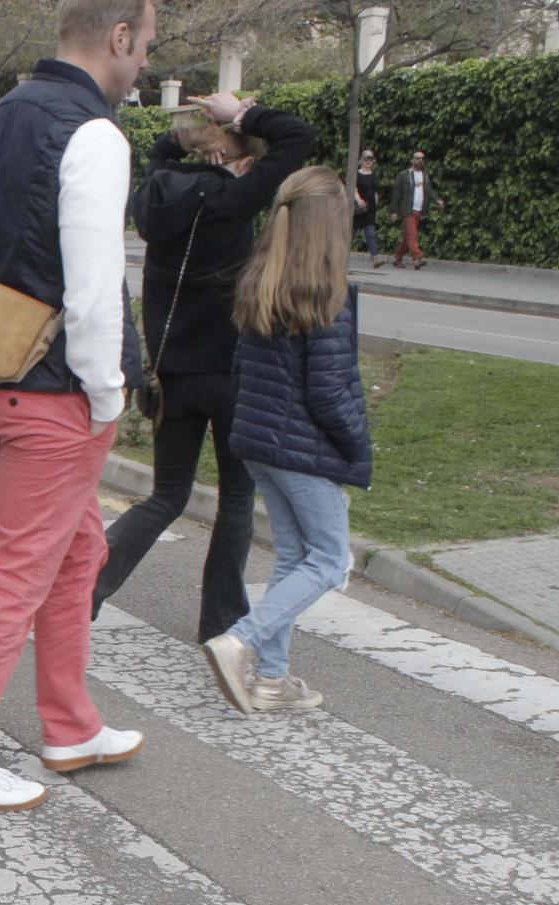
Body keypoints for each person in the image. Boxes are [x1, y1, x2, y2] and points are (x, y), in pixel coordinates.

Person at [0, 0, 154, 814]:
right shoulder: (94, 134)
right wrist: (107, 393)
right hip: (55, 391)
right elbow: (94, 287)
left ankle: (70, 722)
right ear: (118, 37)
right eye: (145, 44)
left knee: (78, 550)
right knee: (14, 577)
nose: (144, 62)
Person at [91, 92, 316, 644]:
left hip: (171, 373)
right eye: (249, 161)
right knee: (236, 498)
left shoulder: (153, 197)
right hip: (230, 371)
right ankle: (221, 621)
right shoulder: (231, 201)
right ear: (234, 161)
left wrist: (203, 134)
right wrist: (238, 113)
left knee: (167, 495)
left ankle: (86, 589)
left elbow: (163, 154)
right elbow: (300, 139)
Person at [203, 167, 372, 715]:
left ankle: (272, 682)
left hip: (256, 441)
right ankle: (242, 641)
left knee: (293, 558)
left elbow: (240, 365)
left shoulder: (260, 280)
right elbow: (329, 389)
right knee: (328, 560)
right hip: (304, 448)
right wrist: (355, 448)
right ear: (331, 225)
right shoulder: (329, 293)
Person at [391, 148, 441, 269]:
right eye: (417, 158)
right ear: (412, 160)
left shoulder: (425, 175)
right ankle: (417, 258)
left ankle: (398, 258)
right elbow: (396, 193)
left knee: (408, 237)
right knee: (413, 235)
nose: (420, 160)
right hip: (408, 210)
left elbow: (429, 191)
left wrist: (437, 200)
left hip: (420, 210)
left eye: (422, 158)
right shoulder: (404, 175)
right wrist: (394, 211)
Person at [354, 148, 381, 268]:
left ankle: (375, 258)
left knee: (371, 234)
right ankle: (339, 256)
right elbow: (353, 189)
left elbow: (375, 192)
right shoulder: (357, 174)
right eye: (366, 158)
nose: (368, 161)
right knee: (351, 234)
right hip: (357, 209)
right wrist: (359, 200)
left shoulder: (374, 175)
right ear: (361, 160)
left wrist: (376, 205)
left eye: (371, 158)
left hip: (370, 209)